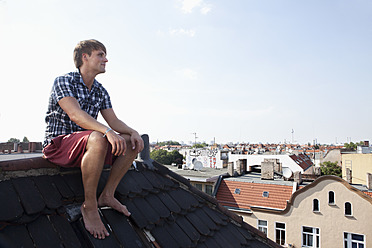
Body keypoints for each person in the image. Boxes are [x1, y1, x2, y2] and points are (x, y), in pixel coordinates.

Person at [42, 39, 144, 239]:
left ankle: (107, 195)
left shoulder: (100, 90)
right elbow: (74, 114)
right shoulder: (64, 81)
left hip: (87, 145)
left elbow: (113, 121)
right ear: (85, 57)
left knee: (131, 143)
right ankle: (89, 206)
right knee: (98, 137)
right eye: (101, 54)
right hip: (59, 144)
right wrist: (106, 132)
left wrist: (134, 132)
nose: (106, 59)